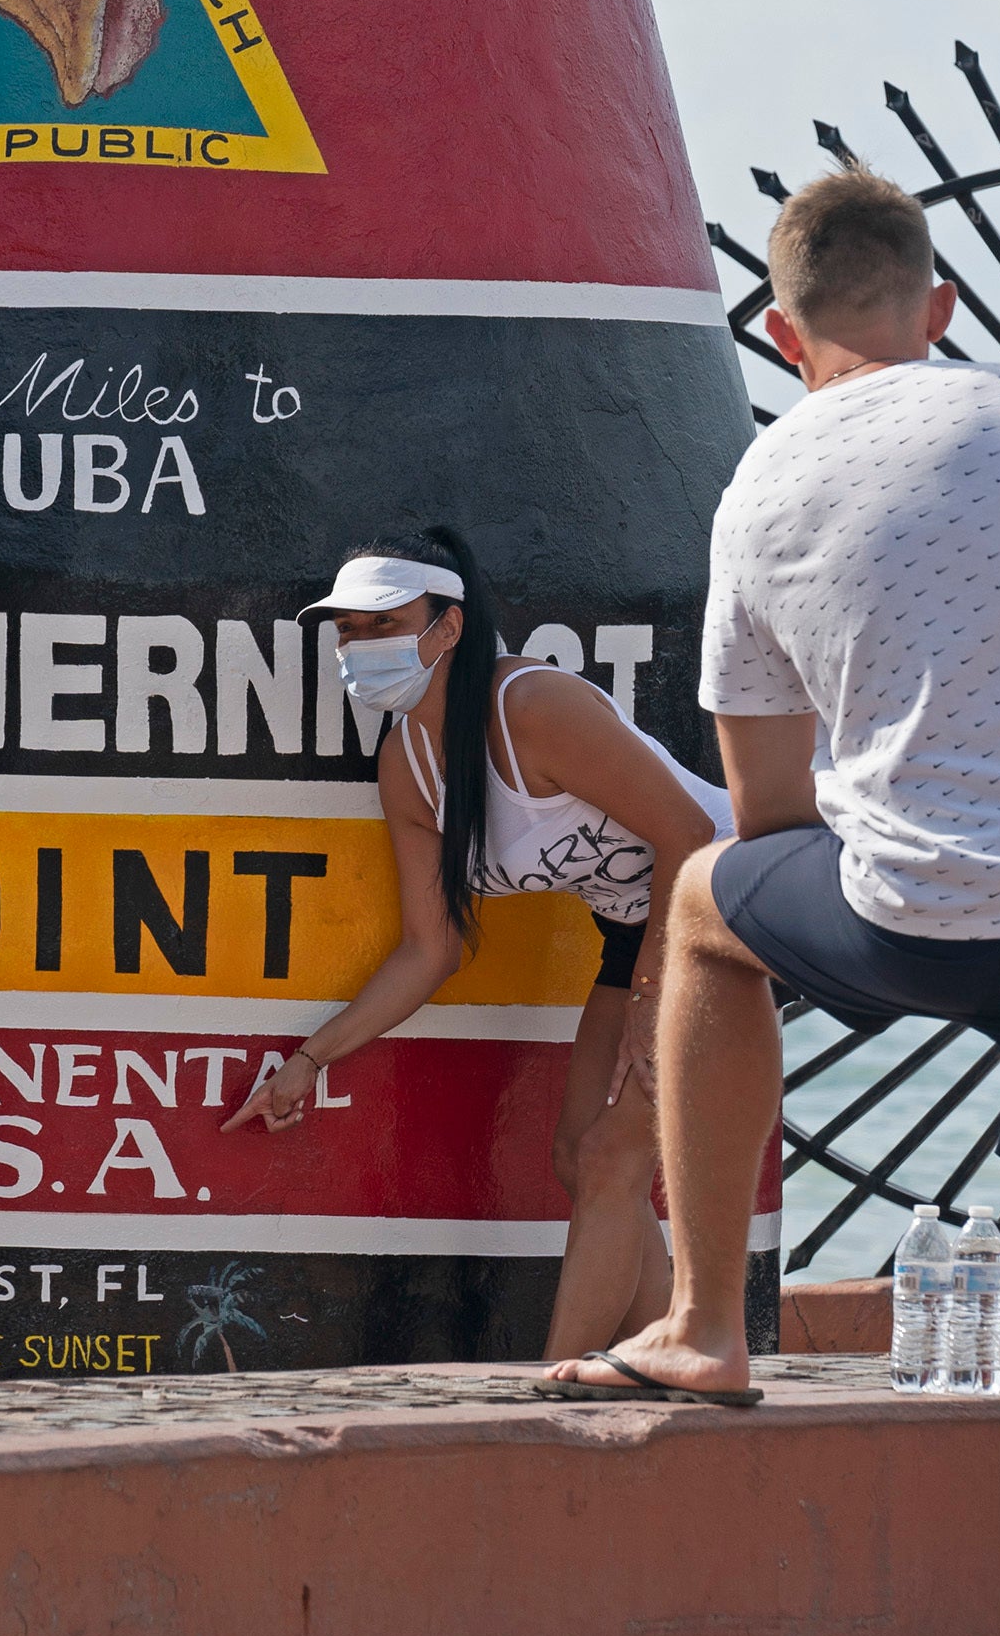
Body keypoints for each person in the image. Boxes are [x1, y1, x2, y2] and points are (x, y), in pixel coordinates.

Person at [542, 165, 1000, 1636]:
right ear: (942, 307)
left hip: (918, 914)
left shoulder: (762, 489)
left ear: (780, 332)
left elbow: (765, 809)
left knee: (711, 903)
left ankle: (709, 1321)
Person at [219, 530, 730, 1359]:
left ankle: (550, 1395)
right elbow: (431, 950)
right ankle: (662, 1366)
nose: (359, 648)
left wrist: (650, 1000)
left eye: (382, 623)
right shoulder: (407, 767)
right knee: (580, 1156)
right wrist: (310, 1060)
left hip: (722, 900)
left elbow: (688, 830)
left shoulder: (529, 705)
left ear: (447, 626)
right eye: (347, 631)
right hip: (636, 926)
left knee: (609, 1156)